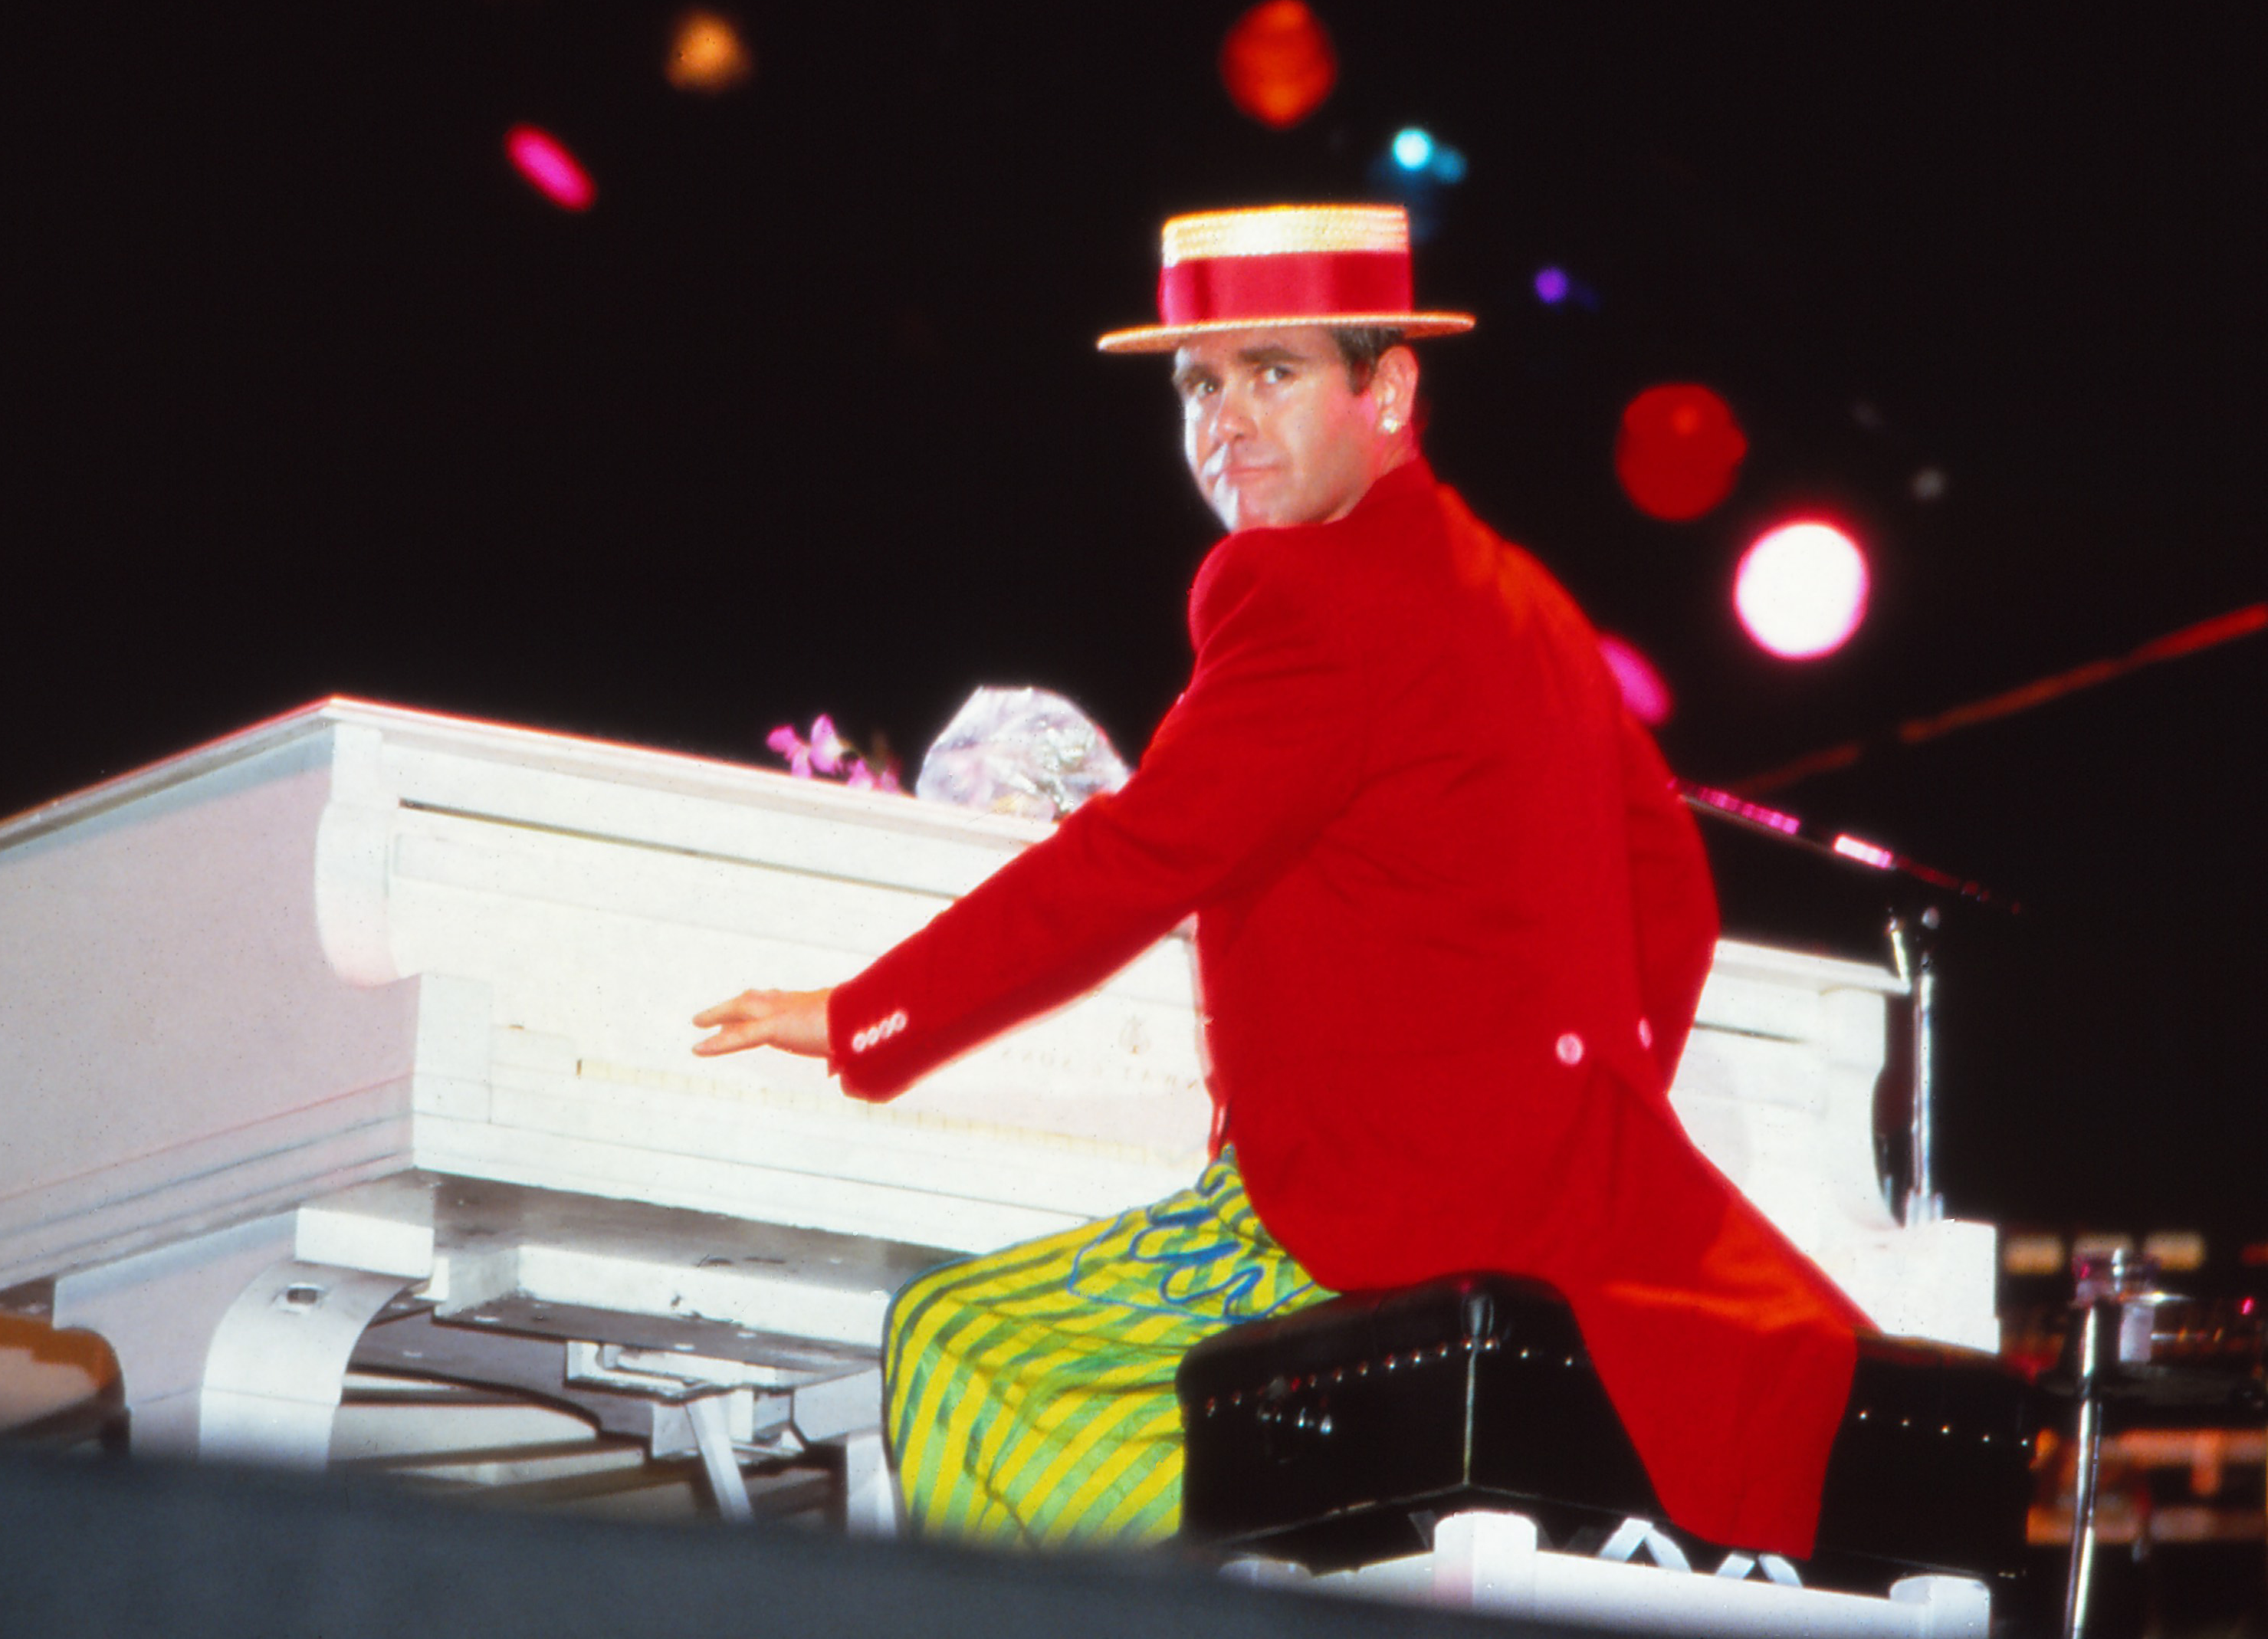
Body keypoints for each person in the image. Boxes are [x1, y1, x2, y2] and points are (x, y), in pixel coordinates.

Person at [693, 203, 1866, 1560]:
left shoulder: (1301, 589)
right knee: (1161, 1427)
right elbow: (1676, 889)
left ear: (1390, 388)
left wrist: (859, 1018)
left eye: (1275, 372)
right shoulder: (1523, 597)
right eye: (1199, 383)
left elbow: (1133, 863)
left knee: (957, 1345)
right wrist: (1558, 1119)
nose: (1225, 422)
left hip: (1361, 1210)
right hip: (1551, 1203)